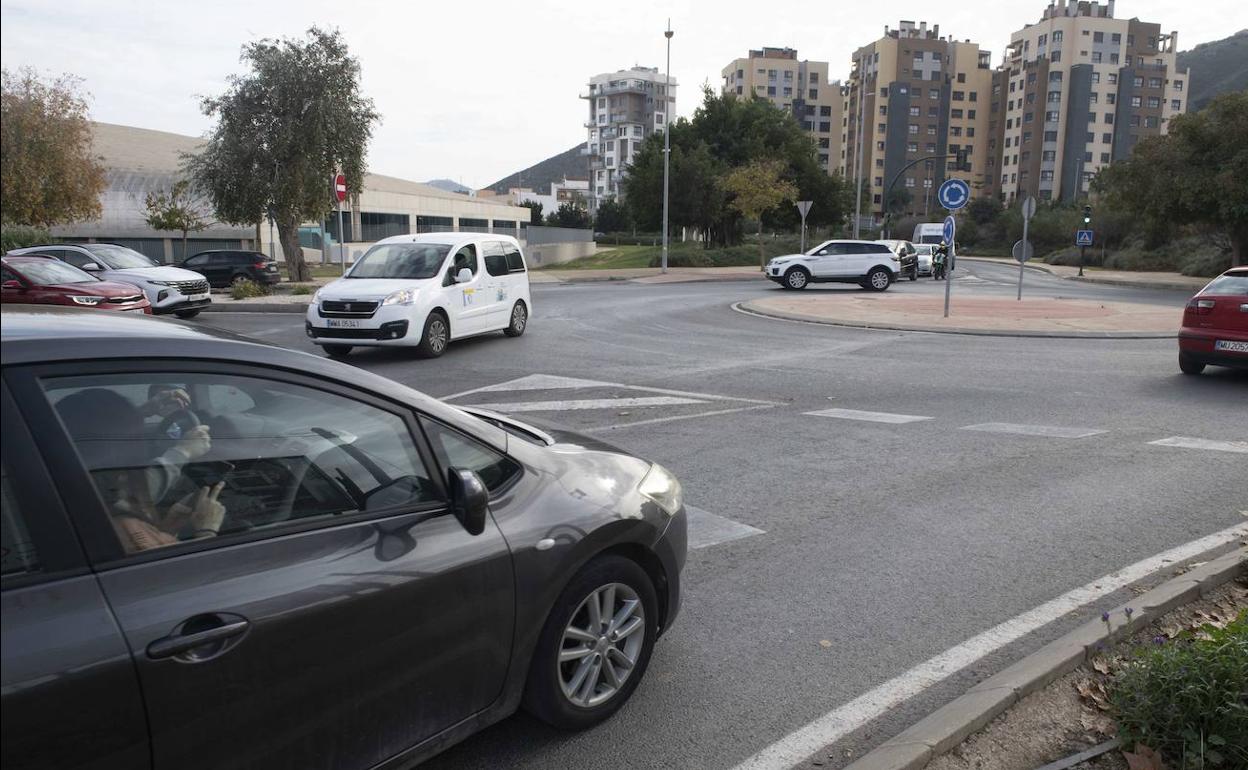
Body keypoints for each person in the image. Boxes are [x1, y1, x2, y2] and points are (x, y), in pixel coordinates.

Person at [54, 388, 226, 553]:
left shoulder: (69, 488)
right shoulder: (124, 523)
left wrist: (168, 528)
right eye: (136, 432)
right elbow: (186, 575)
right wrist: (206, 531)